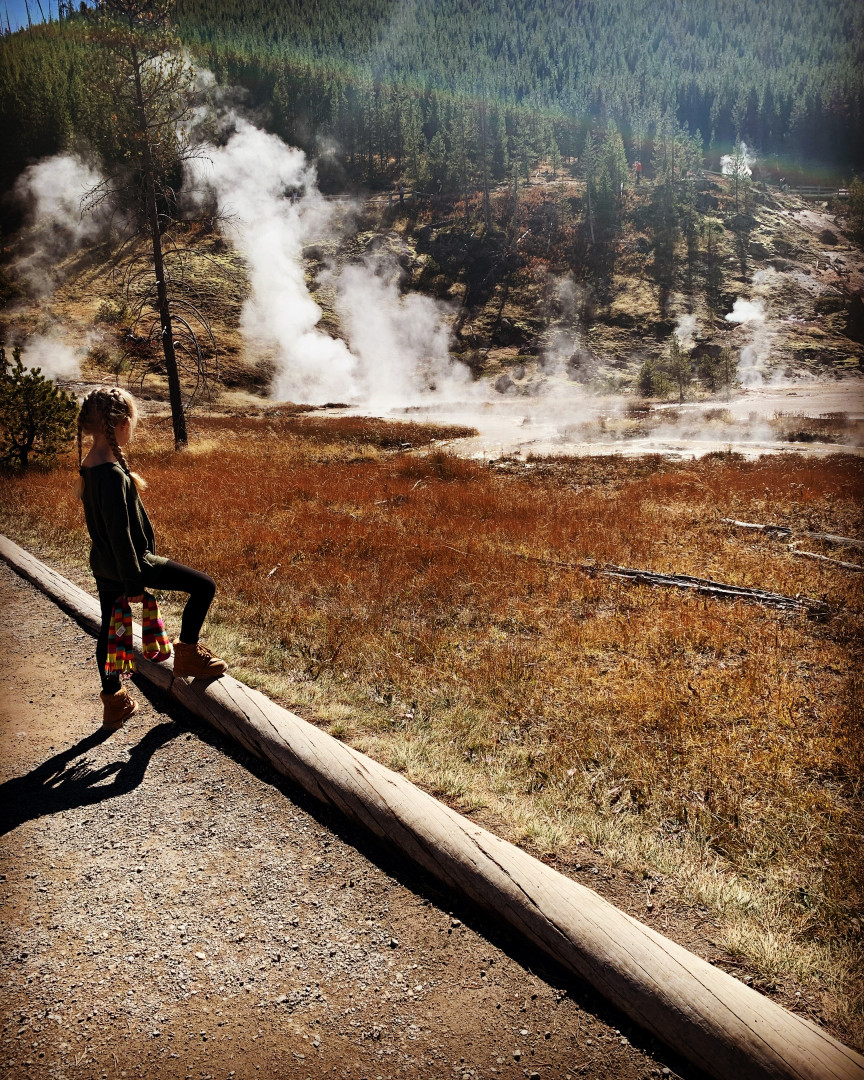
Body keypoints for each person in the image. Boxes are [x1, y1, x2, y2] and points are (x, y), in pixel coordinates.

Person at [77, 387, 227, 730]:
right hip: (133, 563)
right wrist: (133, 582)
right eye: (132, 420)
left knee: (109, 632)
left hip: (104, 564)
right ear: (121, 424)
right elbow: (120, 534)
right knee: (204, 586)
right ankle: (187, 655)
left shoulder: (89, 464)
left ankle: (114, 702)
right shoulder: (111, 474)